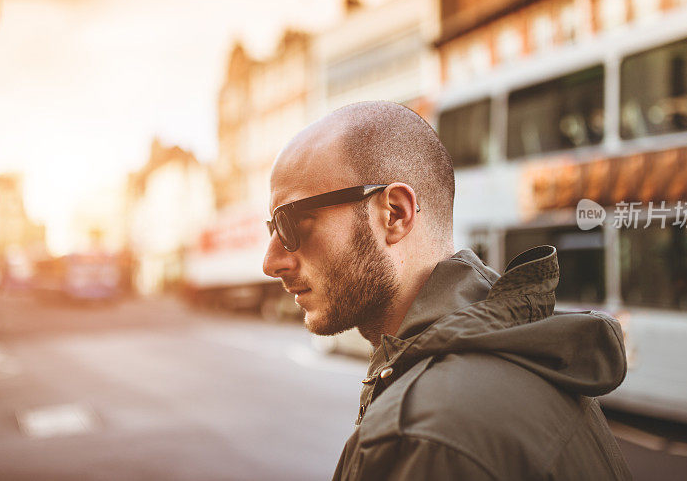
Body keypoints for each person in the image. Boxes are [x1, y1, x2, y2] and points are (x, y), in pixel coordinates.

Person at [263, 101, 631, 480]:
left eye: (293, 222)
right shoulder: (525, 355)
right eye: (271, 228)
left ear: (395, 214)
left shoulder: (423, 439)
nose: (270, 262)